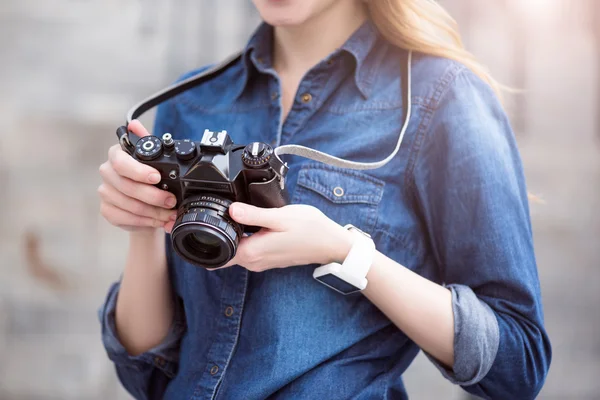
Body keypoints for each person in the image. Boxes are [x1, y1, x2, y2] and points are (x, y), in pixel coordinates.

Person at [97, 0, 552, 399]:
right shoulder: (192, 100)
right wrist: (143, 227)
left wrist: (345, 252)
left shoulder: (441, 98)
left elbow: (517, 364)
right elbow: (148, 373)